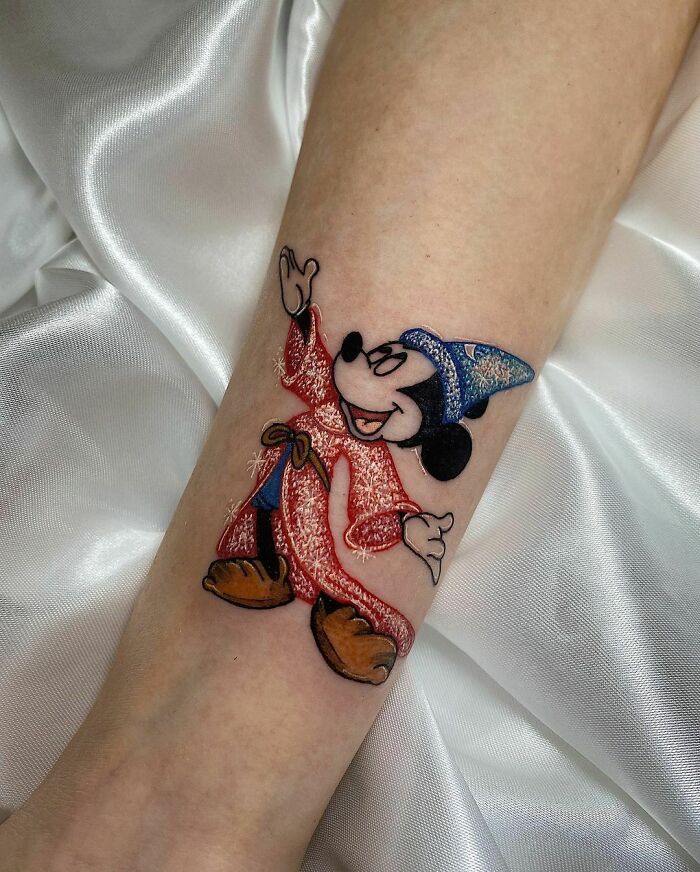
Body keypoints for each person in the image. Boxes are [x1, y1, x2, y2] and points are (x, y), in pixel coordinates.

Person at [0, 1, 697, 869]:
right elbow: (306, 373)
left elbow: (379, 509)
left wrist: (195, 796)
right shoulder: (328, 406)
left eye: (402, 394)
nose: (373, 385)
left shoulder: (378, 462)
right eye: (385, 360)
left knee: (335, 589)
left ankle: (318, 638)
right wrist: (302, 314)